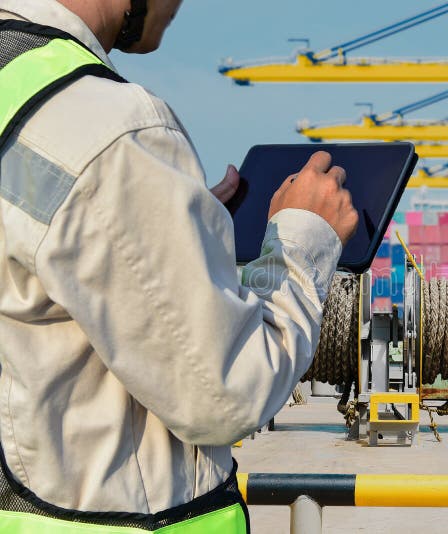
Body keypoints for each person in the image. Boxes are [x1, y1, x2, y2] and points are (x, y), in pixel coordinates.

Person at [0, 0, 358, 531]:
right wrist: (302, 242)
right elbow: (227, 391)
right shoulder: (110, 130)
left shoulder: (17, 84)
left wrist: (160, 230)